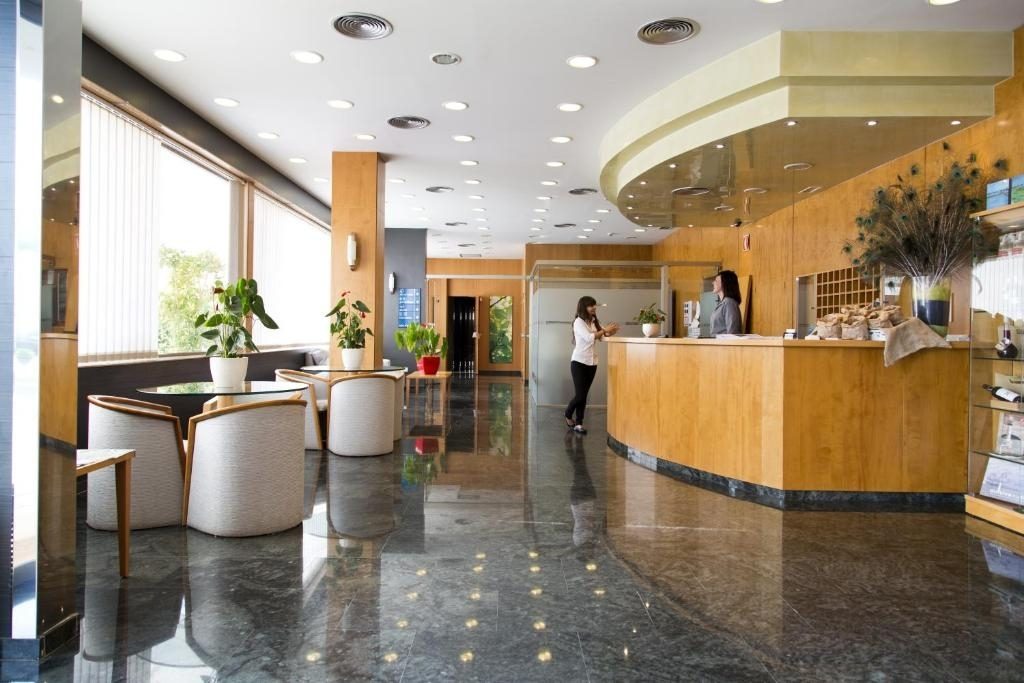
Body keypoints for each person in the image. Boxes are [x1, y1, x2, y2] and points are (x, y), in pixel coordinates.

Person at [565, 296, 619, 434]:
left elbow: (601, 337)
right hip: (579, 362)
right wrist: (604, 330)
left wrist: (610, 332)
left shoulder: (594, 321)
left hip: (592, 362)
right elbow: (589, 338)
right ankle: (568, 413)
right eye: (591, 305)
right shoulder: (578, 322)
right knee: (580, 395)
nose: (594, 308)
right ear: (584, 307)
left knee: (584, 395)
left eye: (594, 305)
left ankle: (579, 424)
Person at [710, 270, 743, 336]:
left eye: (716, 280)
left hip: (724, 342)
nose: (713, 283)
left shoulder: (729, 303)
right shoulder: (724, 303)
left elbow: (733, 333)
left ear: (724, 283)